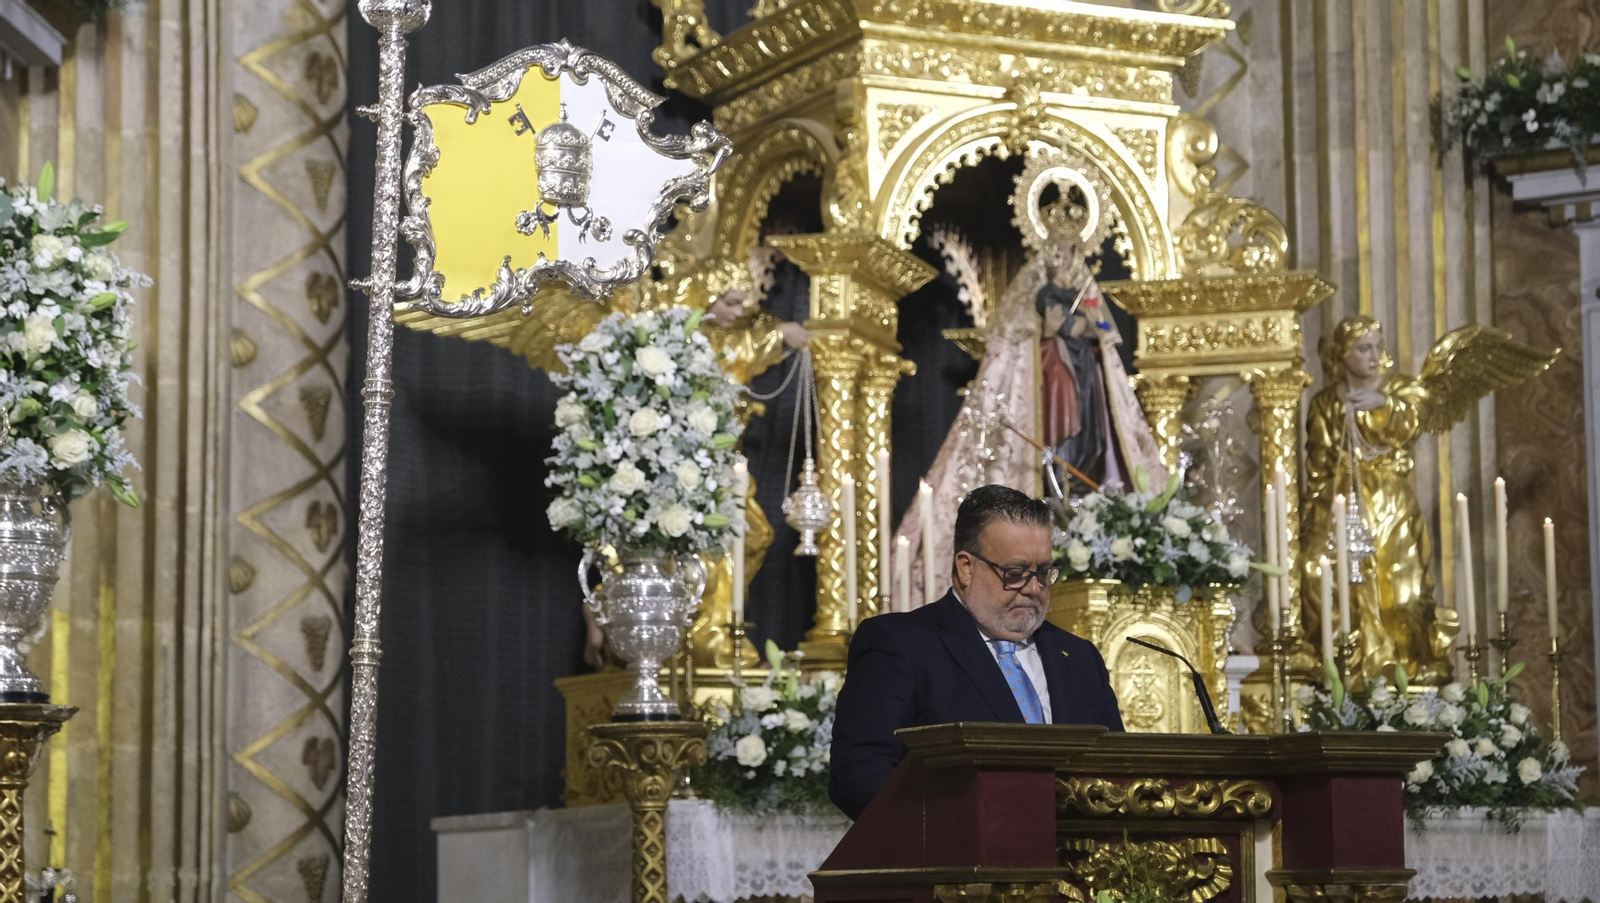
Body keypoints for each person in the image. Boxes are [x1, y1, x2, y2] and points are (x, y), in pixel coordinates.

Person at [829, 485, 1124, 820]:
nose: (1033, 589)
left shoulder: (1079, 658)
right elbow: (858, 774)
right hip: (951, 862)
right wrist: (956, 828)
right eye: (1014, 574)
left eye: (1043, 573)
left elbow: (1116, 772)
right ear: (966, 567)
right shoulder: (901, 644)